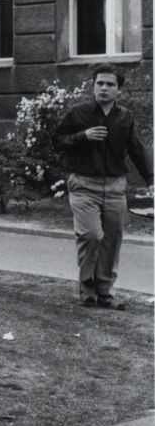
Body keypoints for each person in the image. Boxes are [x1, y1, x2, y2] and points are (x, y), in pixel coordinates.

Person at [54, 64, 152, 310]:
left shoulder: (125, 117)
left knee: (111, 240)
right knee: (91, 235)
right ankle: (87, 286)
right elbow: (56, 141)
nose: (104, 88)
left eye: (110, 84)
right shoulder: (78, 113)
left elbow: (137, 149)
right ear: (93, 86)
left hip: (116, 186)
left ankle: (105, 292)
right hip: (84, 184)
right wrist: (81, 136)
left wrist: (151, 180)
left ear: (118, 90)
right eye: (100, 83)